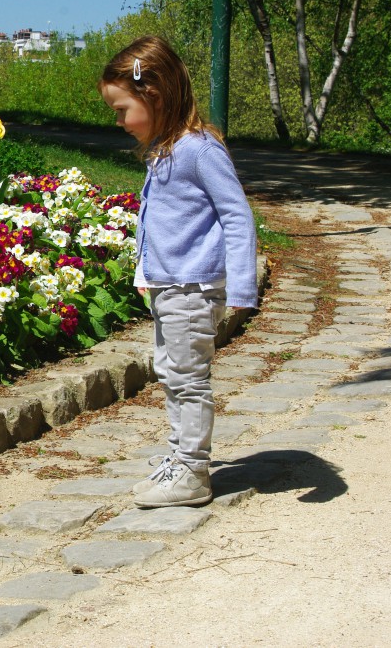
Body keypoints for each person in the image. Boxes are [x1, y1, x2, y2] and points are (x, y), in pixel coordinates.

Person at [99, 36, 257, 508]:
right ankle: (182, 461)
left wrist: (243, 284)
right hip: (170, 286)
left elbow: (236, 215)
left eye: (122, 108)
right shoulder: (166, 150)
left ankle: (192, 470)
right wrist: (146, 272)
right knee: (173, 372)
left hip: (192, 286)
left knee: (188, 378)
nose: (119, 121)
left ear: (155, 95)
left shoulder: (198, 149)